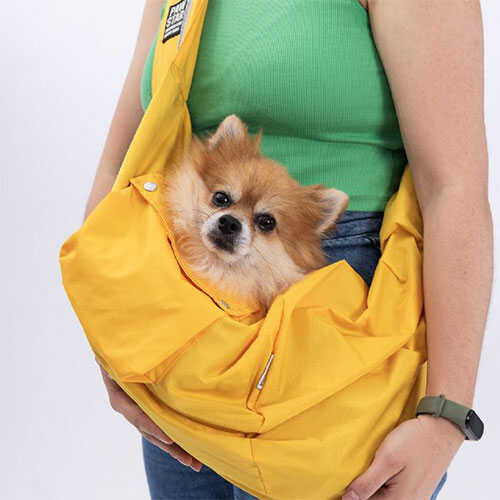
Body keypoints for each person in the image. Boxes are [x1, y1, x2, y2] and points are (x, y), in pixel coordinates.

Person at [87, 1, 493, 499]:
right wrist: (110, 339)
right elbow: (121, 163)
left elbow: (454, 188)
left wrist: (447, 414)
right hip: (181, 324)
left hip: (333, 320)